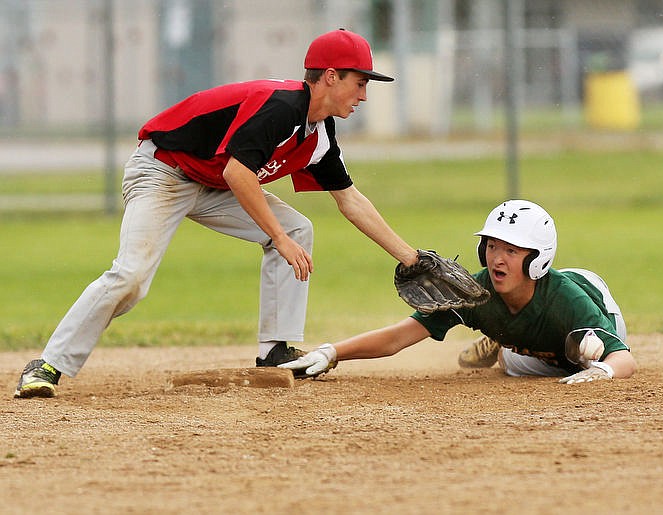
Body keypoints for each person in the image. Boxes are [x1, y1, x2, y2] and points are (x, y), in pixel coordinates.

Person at [13, 28, 419, 399]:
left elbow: (350, 199)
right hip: (163, 173)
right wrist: (278, 238)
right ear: (331, 76)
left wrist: (412, 259)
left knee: (298, 227)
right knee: (132, 276)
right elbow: (238, 172)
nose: (364, 95)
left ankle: (275, 351)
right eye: (360, 82)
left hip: (213, 184)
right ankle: (48, 365)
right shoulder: (281, 107)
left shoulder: (320, 133)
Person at [280, 200, 637, 384]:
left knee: (583, 354)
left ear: (536, 259)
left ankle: (515, 340)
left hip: (596, 308)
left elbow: (625, 360)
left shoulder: (566, 299)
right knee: (513, 365)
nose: (497, 258)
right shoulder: (474, 291)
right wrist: (331, 353)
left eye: (511, 251)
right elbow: (397, 338)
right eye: (492, 247)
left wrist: (603, 371)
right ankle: (504, 340)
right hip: (537, 347)